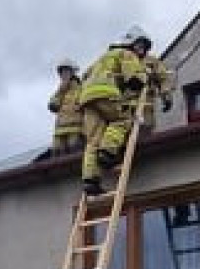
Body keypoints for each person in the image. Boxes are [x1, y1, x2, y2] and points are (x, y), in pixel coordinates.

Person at [77, 26, 151, 196]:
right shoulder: (127, 54)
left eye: (144, 48)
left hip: (87, 99)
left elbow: (85, 75)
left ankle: (90, 180)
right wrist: (144, 76)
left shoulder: (102, 58)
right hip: (106, 92)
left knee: (93, 139)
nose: (141, 51)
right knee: (123, 120)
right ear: (131, 43)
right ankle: (107, 152)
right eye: (140, 46)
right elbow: (134, 79)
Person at [47, 58, 84, 156]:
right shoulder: (60, 91)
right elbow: (52, 106)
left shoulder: (81, 88)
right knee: (56, 155)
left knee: (74, 154)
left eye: (66, 71)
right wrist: (61, 91)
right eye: (62, 72)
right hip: (59, 131)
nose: (63, 74)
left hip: (75, 129)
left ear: (72, 73)